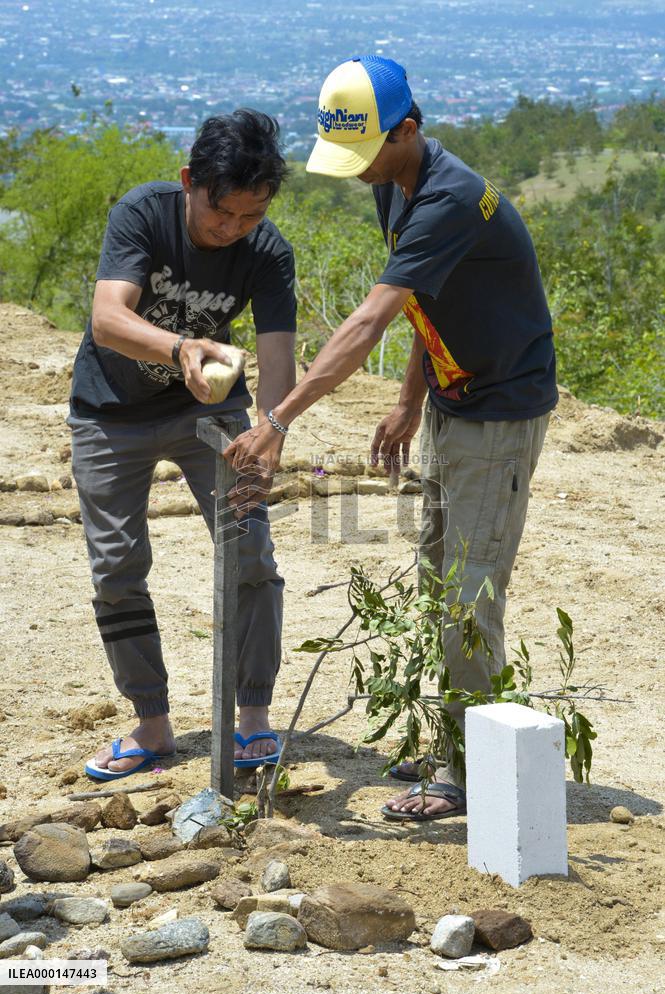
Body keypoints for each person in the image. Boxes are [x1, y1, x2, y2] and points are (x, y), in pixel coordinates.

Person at [224, 57, 557, 819]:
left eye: (365, 151)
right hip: (452, 397)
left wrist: (278, 419)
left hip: (499, 413)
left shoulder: (448, 198)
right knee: (438, 577)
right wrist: (409, 399)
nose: (357, 170)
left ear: (405, 130)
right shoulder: (394, 182)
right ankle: (458, 740)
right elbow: (423, 301)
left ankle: (467, 773)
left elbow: (371, 317)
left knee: (468, 596)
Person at [69, 110, 297, 779]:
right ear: (189, 181)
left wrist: (271, 429)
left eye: (251, 214)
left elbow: (276, 357)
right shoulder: (144, 213)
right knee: (116, 568)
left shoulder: (268, 251)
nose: (233, 228)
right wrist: (180, 348)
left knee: (250, 551)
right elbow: (107, 319)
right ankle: (151, 723)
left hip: (214, 411)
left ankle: (252, 716)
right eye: (221, 211)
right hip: (108, 411)